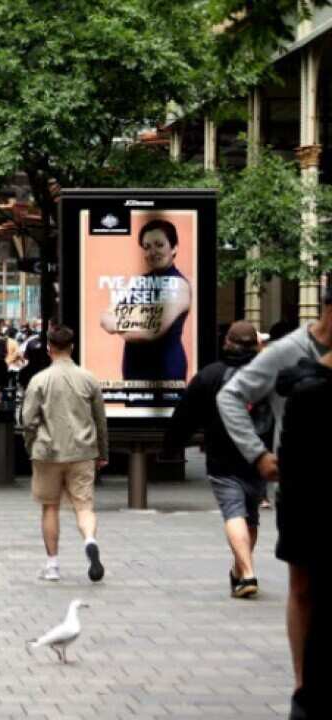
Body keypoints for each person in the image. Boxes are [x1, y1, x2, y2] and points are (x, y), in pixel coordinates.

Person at [218, 285, 332, 714]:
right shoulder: (289, 351)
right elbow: (230, 396)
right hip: (301, 487)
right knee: (303, 586)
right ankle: (303, 685)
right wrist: (258, 454)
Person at [164, 321, 268, 598]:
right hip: (259, 457)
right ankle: (240, 571)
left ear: (226, 344)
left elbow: (184, 416)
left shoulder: (210, 375)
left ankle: (246, 573)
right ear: (256, 346)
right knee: (251, 516)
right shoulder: (269, 375)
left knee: (234, 512)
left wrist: (171, 446)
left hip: (222, 457)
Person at [21, 326, 109, 584]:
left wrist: (31, 446)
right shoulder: (88, 378)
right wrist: (102, 452)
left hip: (47, 452)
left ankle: (52, 564)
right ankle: (90, 540)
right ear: (72, 347)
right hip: (82, 451)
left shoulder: (39, 380)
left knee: (50, 507)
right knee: (84, 505)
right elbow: (100, 420)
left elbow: (28, 420)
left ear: (49, 348)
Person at [274, 340, 332, 718]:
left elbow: (292, 474)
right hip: (312, 523)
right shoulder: (306, 390)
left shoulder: (305, 394)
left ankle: (303, 688)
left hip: (309, 523)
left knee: (304, 591)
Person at [101, 219, 192, 382]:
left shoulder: (178, 284)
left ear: (174, 248)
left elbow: (151, 331)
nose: (152, 252)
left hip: (165, 373)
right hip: (133, 372)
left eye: (159, 244)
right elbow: (105, 319)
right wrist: (139, 322)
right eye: (147, 247)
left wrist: (121, 322)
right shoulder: (139, 282)